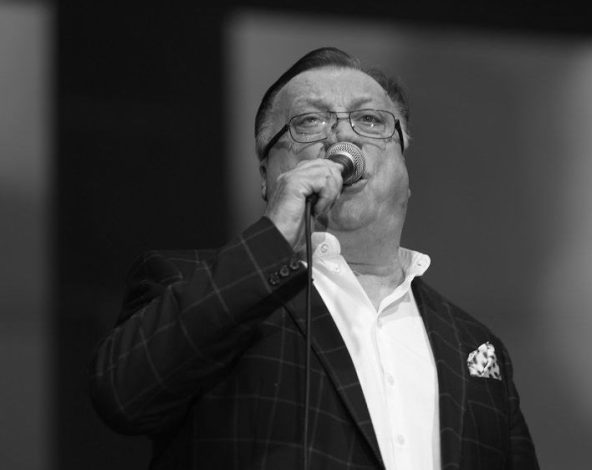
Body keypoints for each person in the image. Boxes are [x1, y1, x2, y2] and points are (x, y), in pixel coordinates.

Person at [90, 46, 540, 469]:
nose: (343, 135)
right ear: (266, 176)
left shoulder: (471, 343)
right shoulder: (197, 282)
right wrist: (272, 237)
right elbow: (124, 395)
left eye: (369, 119)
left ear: (405, 169)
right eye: (309, 122)